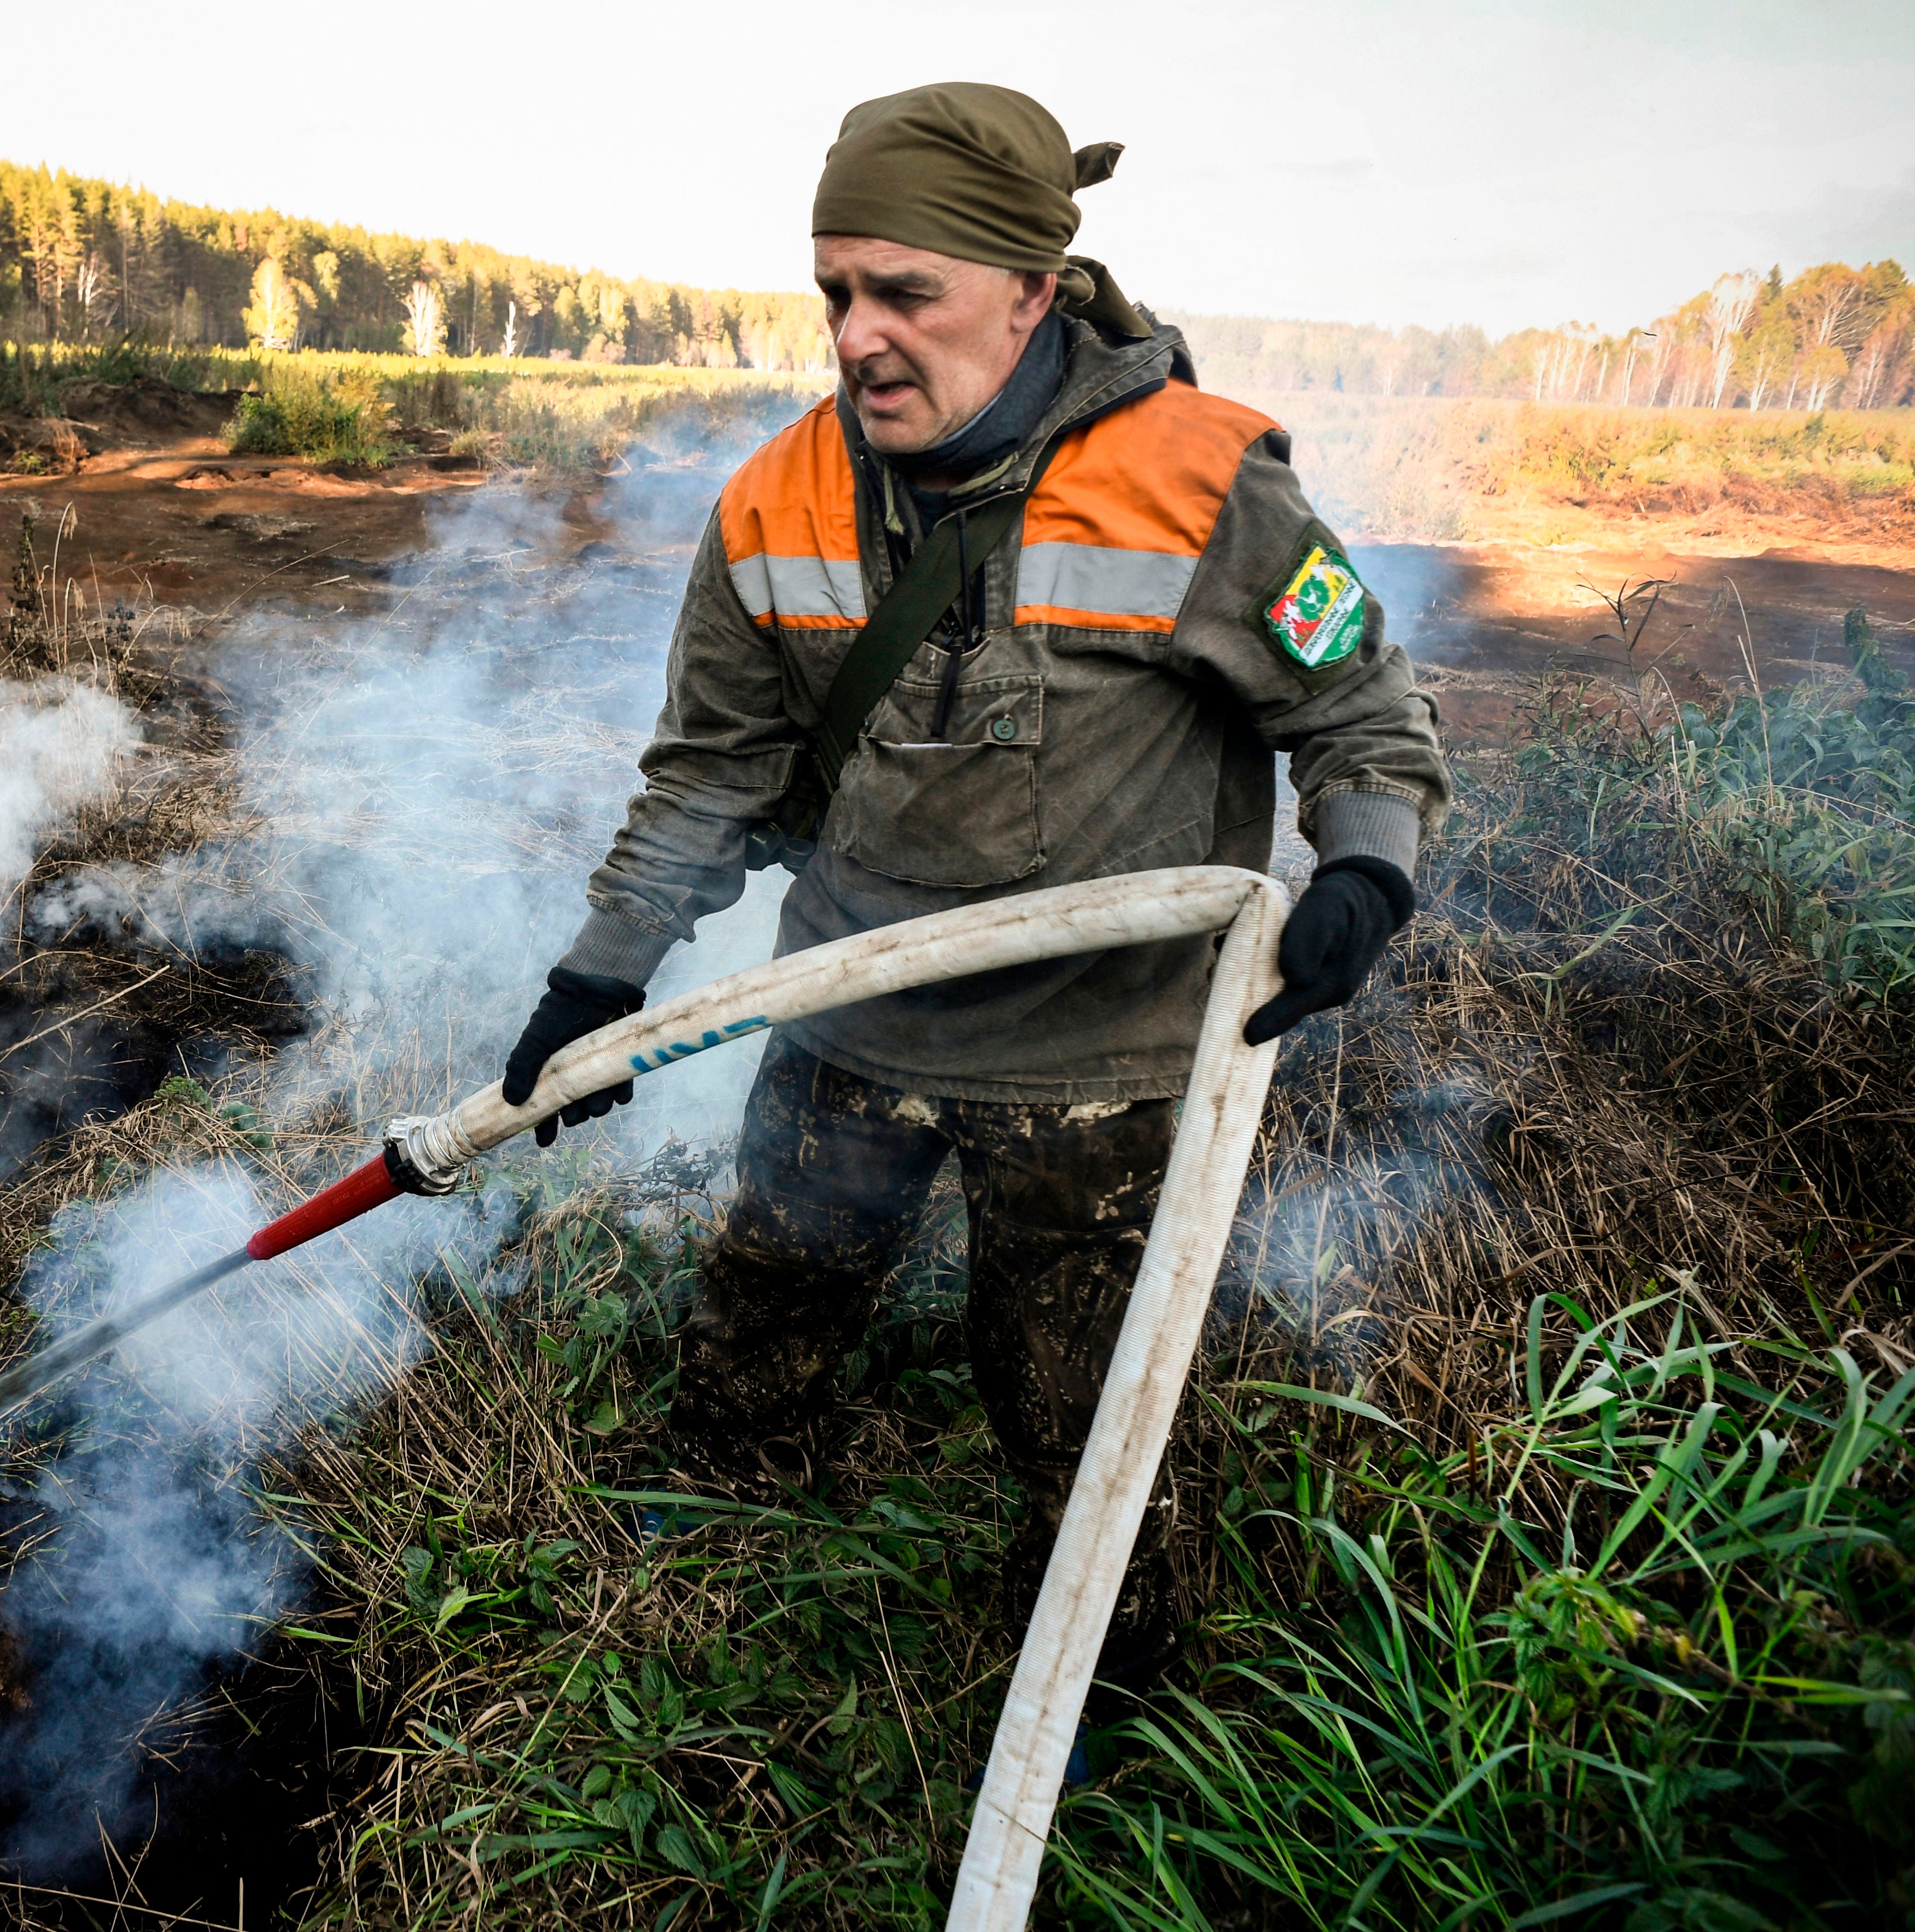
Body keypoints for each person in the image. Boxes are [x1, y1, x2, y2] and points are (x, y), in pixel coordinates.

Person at [500, 83, 1449, 1677]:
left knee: (1080, 1405)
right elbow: (709, 779)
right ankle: (715, 1526)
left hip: (1103, 1064)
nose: (857, 335)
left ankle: (1104, 1678)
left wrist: (1361, 868)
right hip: (845, 1017)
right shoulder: (771, 504)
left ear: (1026, 288)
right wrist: (596, 979)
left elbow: (1355, 704)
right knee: (771, 1293)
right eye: (834, 294)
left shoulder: (1207, 484)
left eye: (903, 293)